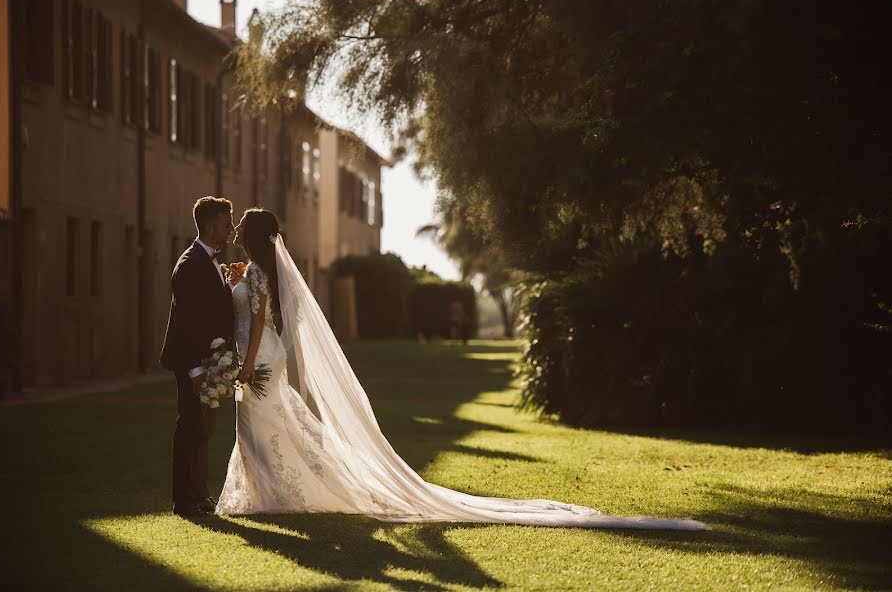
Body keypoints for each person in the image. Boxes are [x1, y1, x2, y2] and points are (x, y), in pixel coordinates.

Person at [216, 207, 708, 530]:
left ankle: (270, 492)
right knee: (264, 426)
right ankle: (270, 489)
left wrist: (244, 365)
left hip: (258, 358)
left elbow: (258, 321)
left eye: (240, 228)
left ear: (255, 237)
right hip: (262, 358)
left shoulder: (258, 274)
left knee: (260, 425)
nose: (234, 230)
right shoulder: (256, 272)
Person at [160, 196, 236, 517]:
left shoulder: (211, 262)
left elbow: (213, 312)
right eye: (225, 222)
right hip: (194, 362)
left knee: (202, 430)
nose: (230, 228)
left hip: (210, 360)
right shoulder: (190, 264)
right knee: (189, 428)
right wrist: (194, 371)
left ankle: (200, 494)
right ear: (208, 225)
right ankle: (183, 500)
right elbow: (189, 322)